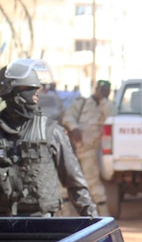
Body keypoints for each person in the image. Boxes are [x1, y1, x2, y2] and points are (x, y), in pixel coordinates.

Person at [0, 58, 97, 217]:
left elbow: (75, 182)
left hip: (43, 223)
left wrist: (92, 220)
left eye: (37, 90)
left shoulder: (51, 131)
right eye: (30, 89)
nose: (36, 94)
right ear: (12, 93)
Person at [62, 79, 113, 216]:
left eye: (105, 90)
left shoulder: (108, 106)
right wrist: (74, 128)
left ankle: (103, 215)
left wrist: (103, 101)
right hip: (72, 149)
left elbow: (112, 118)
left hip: (90, 151)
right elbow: (68, 117)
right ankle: (65, 216)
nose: (102, 92)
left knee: (92, 182)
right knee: (65, 181)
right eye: (100, 89)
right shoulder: (82, 103)